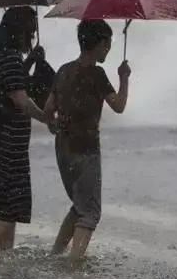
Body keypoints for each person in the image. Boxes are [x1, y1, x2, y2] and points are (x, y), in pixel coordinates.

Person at [43, 19, 131, 262]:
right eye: (108, 44)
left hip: (63, 149)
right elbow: (119, 106)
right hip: (86, 149)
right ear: (101, 44)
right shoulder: (97, 73)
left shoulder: (63, 70)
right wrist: (124, 77)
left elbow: (48, 108)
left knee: (79, 204)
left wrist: (53, 126)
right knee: (90, 212)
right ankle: (73, 266)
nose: (109, 48)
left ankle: (55, 255)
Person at [0, 5, 49, 256]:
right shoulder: (10, 56)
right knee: (8, 206)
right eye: (31, 31)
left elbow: (7, 83)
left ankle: (6, 255)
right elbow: (19, 99)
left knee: (6, 204)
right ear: (23, 31)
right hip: (6, 144)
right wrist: (48, 118)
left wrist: (29, 62)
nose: (33, 36)